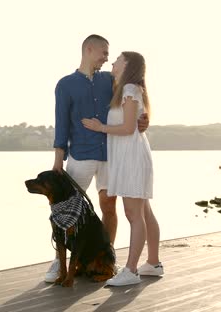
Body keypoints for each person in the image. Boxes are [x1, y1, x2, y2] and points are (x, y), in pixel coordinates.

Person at [47, 34, 149, 283]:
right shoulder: (65, 84)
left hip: (110, 157)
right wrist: (58, 160)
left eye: (108, 55)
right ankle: (60, 260)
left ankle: (106, 259)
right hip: (80, 157)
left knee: (109, 208)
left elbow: (133, 98)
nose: (106, 58)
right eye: (104, 53)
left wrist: (143, 119)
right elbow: (61, 125)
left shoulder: (110, 80)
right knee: (65, 211)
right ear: (89, 49)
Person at [82, 51, 162, 286]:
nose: (112, 61)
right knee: (144, 211)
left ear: (127, 65)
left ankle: (131, 270)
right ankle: (154, 263)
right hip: (130, 156)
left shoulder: (129, 89)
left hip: (132, 158)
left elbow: (128, 128)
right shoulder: (127, 88)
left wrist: (100, 127)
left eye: (117, 59)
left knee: (133, 214)